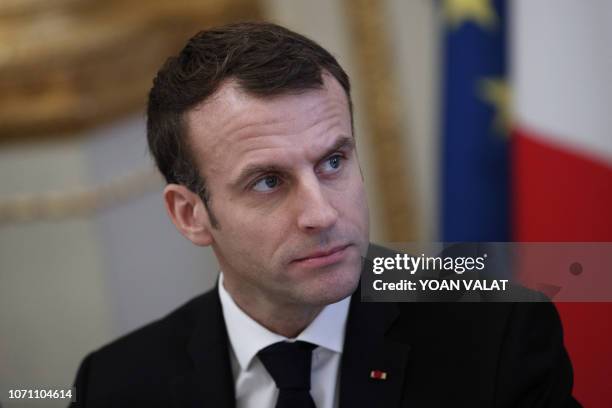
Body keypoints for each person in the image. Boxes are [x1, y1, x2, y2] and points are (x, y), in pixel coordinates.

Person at [70, 22, 579, 407]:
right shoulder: (115, 385)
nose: (321, 213)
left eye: (333, 162)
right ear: (190, 215)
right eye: (268, 182)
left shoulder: (496, 329)